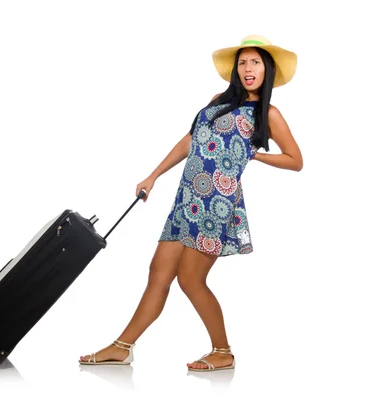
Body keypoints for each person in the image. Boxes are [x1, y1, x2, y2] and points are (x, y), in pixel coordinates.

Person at [79, 34, 303, 371]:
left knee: (190, 279)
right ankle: (122, 346)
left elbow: (295, 160)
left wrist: (256, 155)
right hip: (187, 199)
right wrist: (153, 175)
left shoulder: (268, 113)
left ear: (267, 69)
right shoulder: (217, 101)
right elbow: (190, 139)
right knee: (158, 273)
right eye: (242, 62)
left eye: (255, 62)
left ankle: (223, 351)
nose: (247, 68)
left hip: (218, 204)